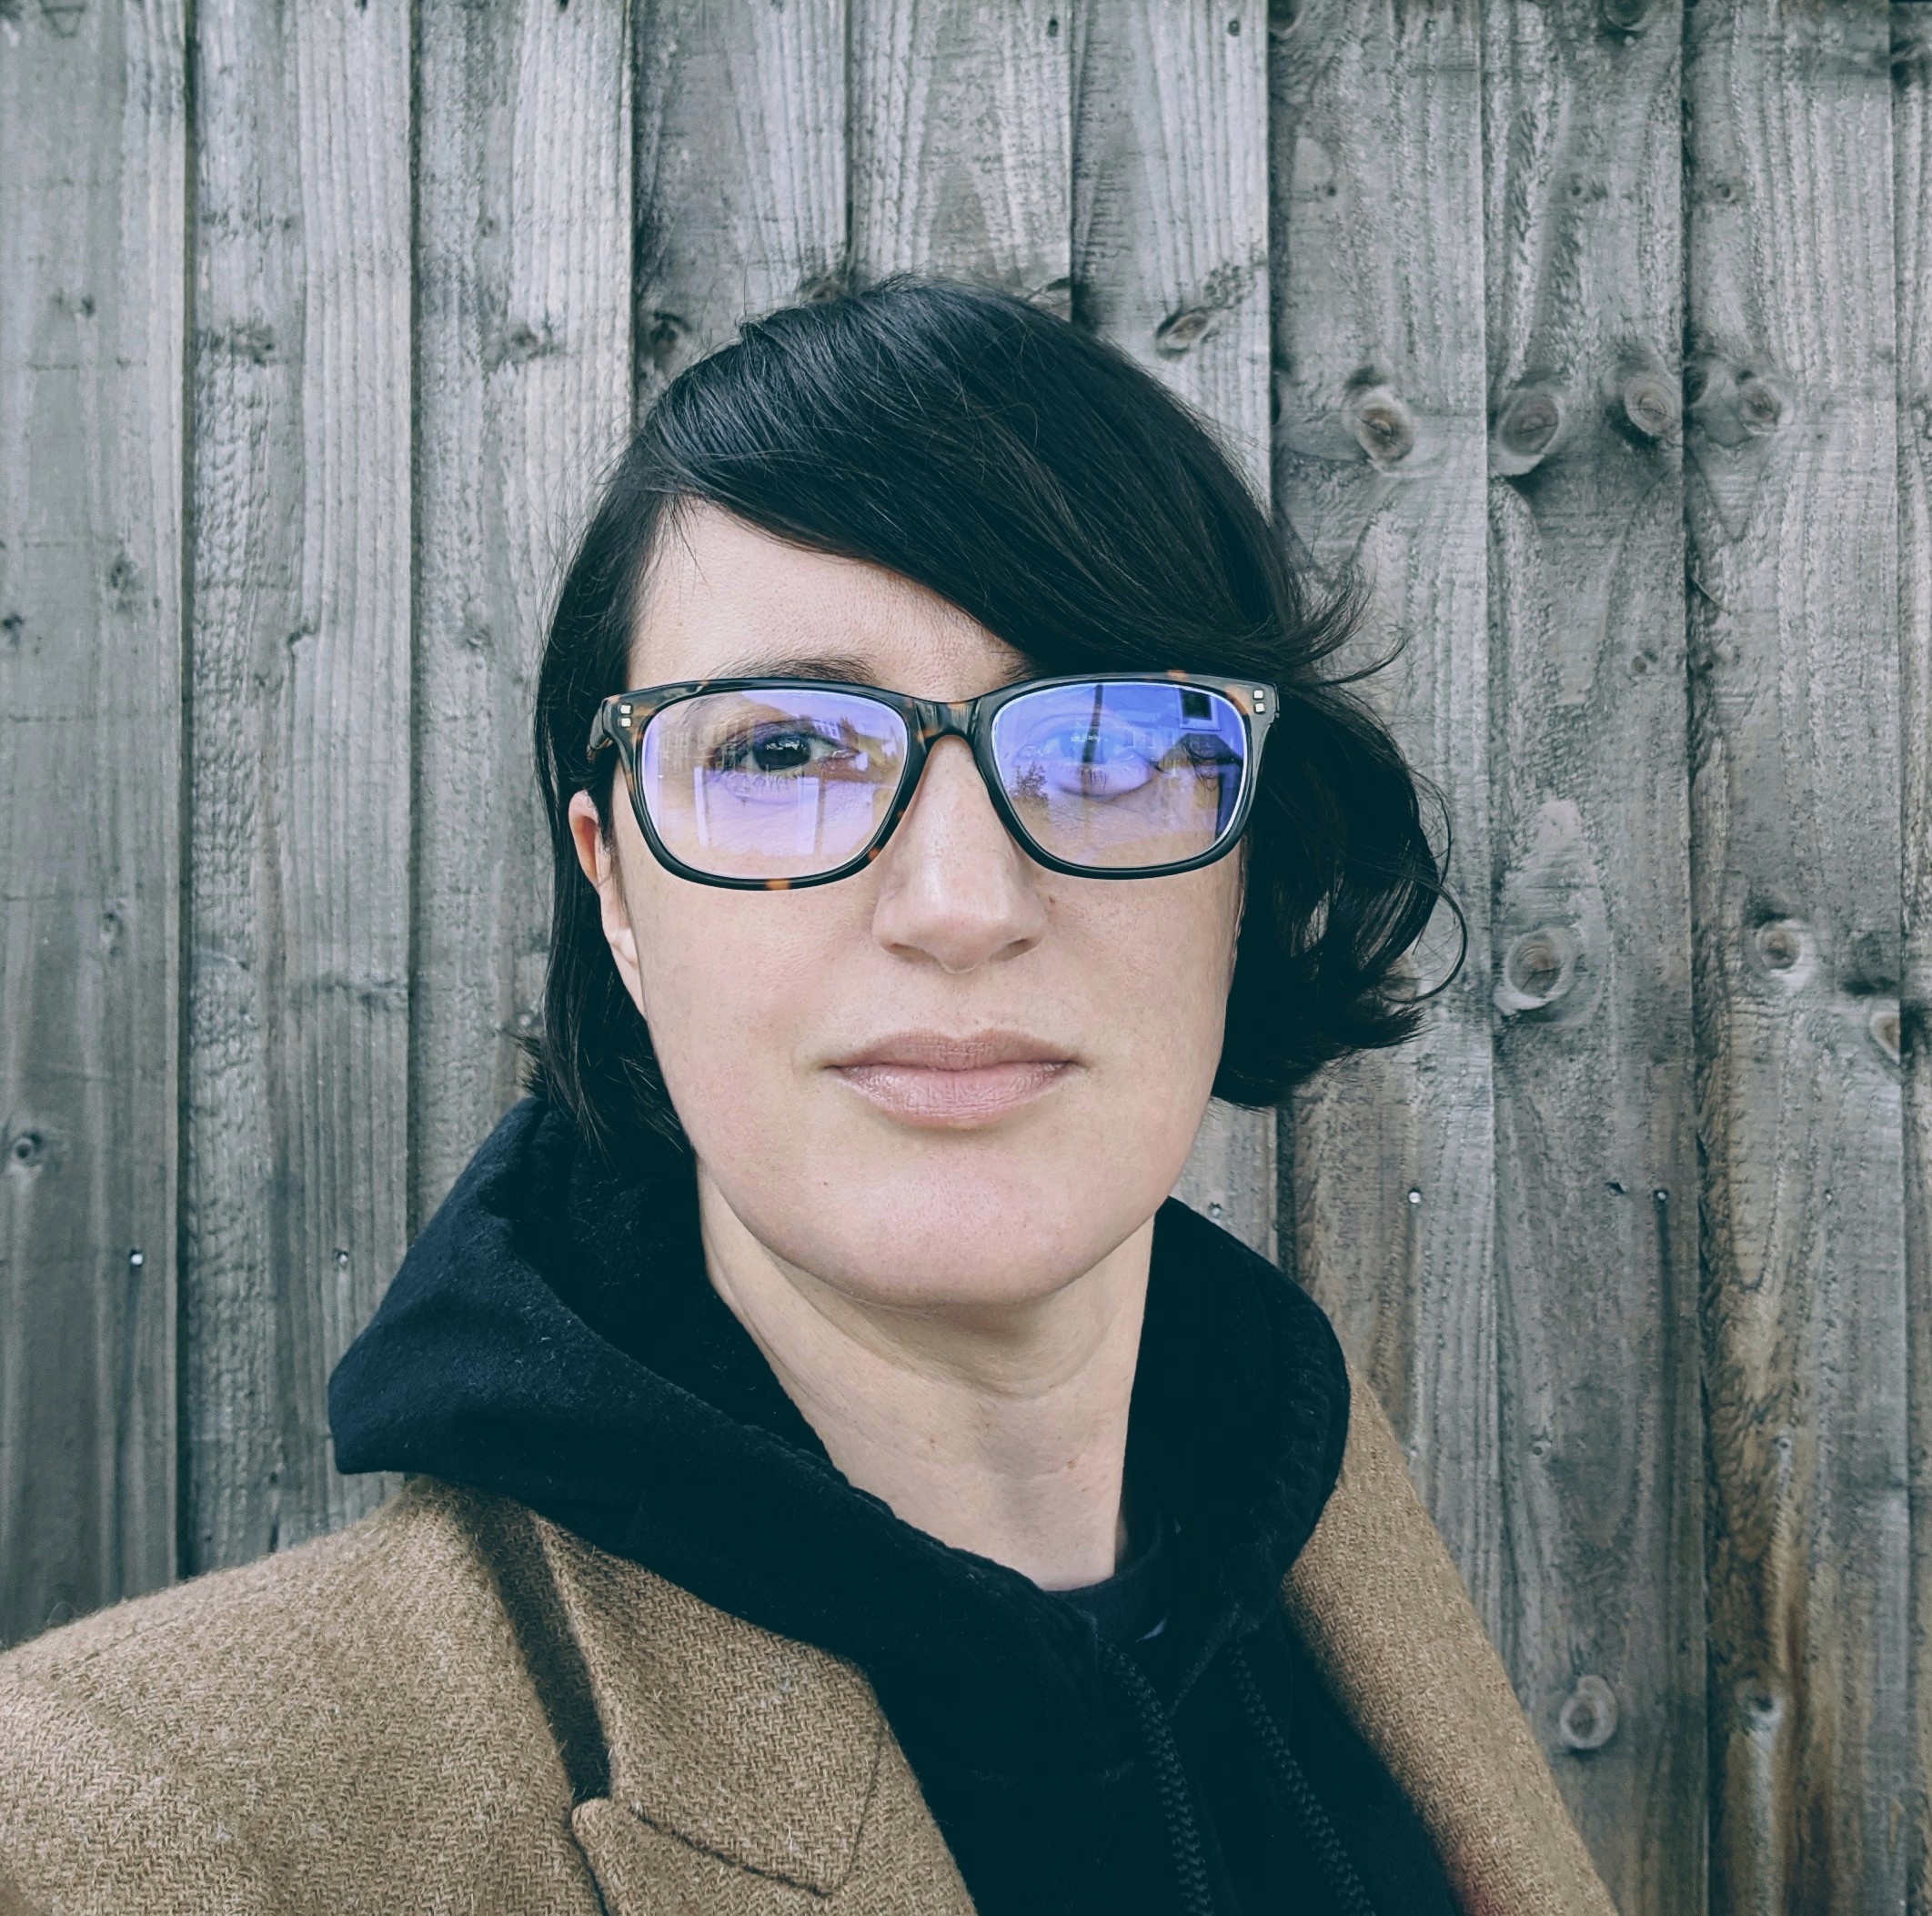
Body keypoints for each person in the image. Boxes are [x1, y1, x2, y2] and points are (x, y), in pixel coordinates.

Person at [0, 281, 1615, 1916]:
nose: (962, 898)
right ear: (617, 891)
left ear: (1249, 859)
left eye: (1110, 740)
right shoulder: (126, 1813)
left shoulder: (1345, 1568)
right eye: (781, 753)